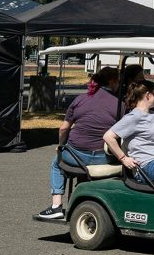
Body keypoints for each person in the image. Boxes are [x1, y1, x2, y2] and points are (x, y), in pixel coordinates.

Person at [36, 67, 121, 220]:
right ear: (113, 81)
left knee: (57, 162)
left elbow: (64, 128)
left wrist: (60, 145)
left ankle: (56, 206)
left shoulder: (81, 99)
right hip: (104, 157)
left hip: (76, 155)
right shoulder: (119, 104)